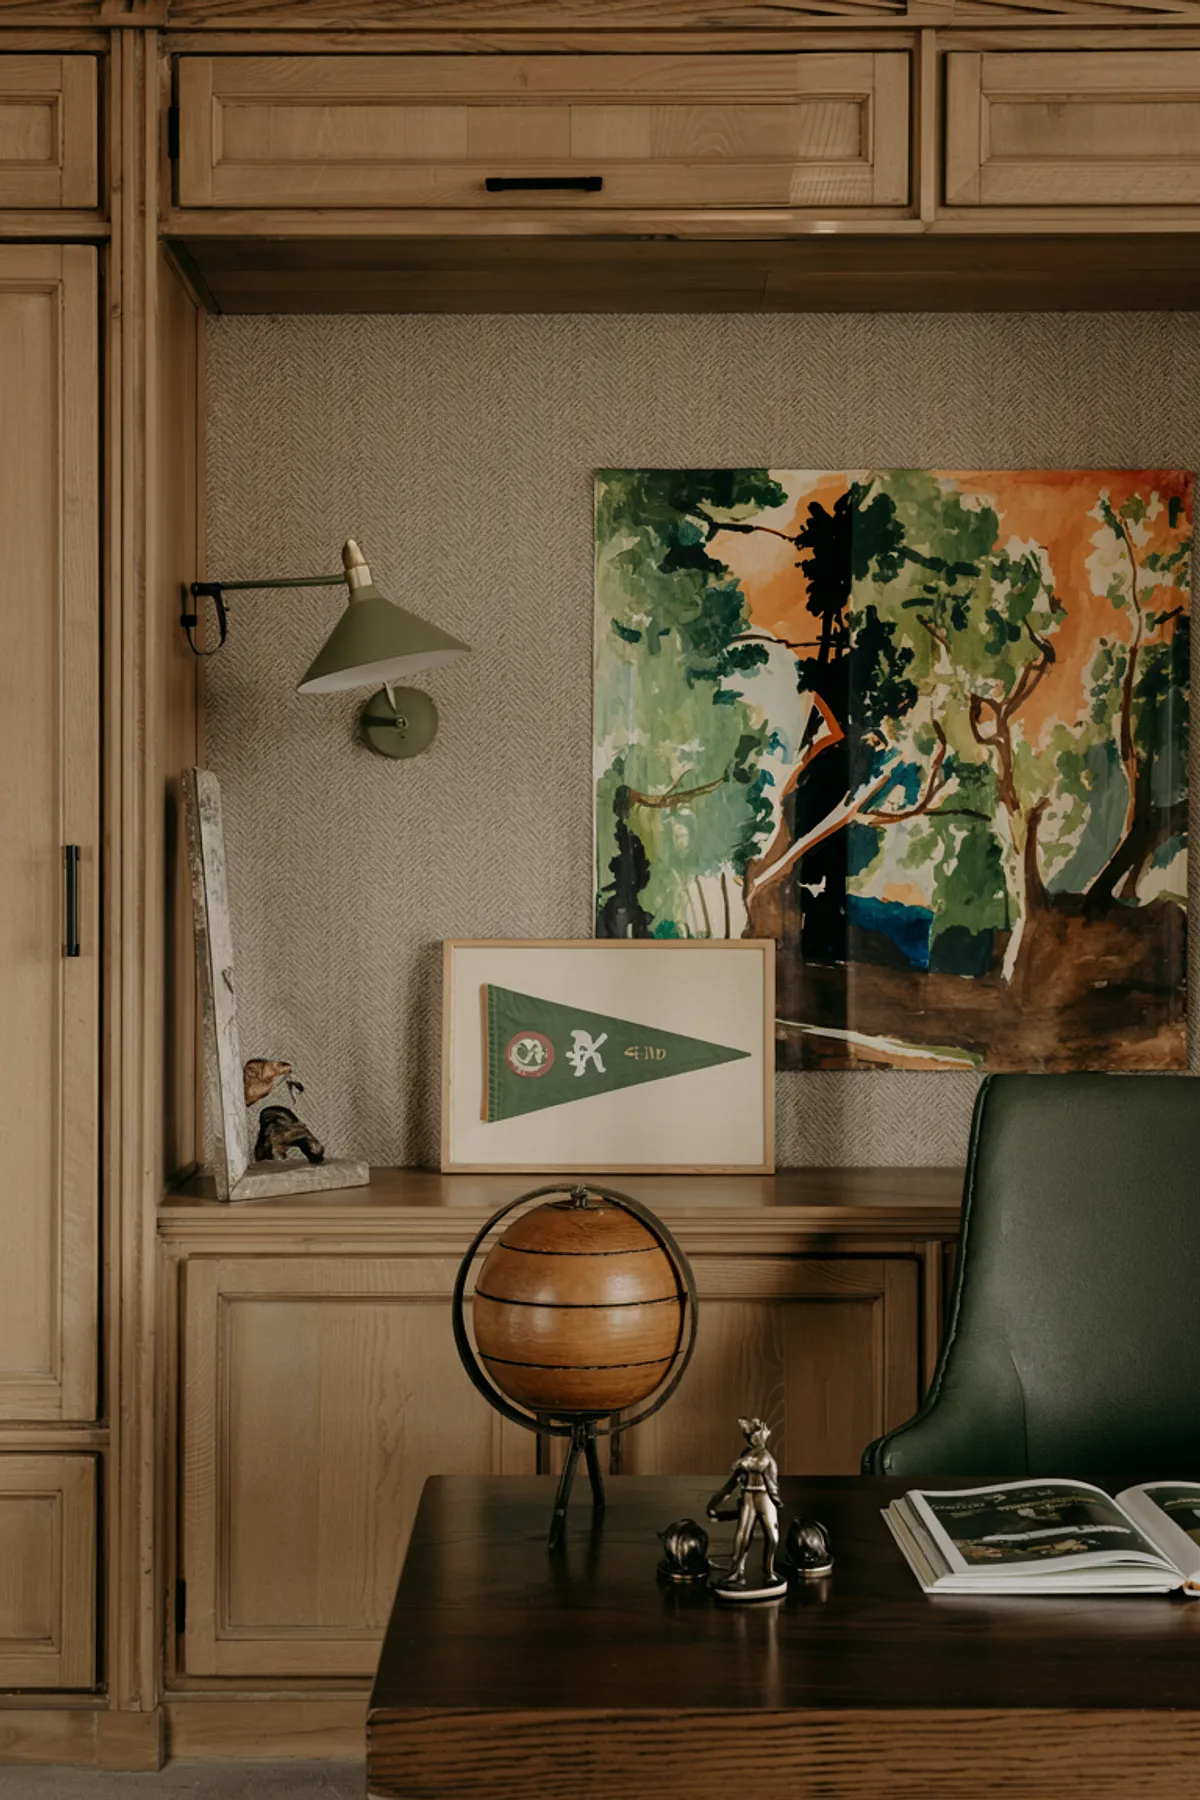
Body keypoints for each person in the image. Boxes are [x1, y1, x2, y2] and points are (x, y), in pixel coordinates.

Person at [707, 1416, 782, 1586]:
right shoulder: (746, 1456)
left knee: (773, 1537)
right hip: (749, 1496)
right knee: (742, 1536)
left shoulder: (763, 1456)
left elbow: (759, 1464)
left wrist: (742, 1462)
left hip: (765, 1497)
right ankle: (736, 1572)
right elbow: (731, 1484)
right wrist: (715, 1503)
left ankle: (770, 1571)